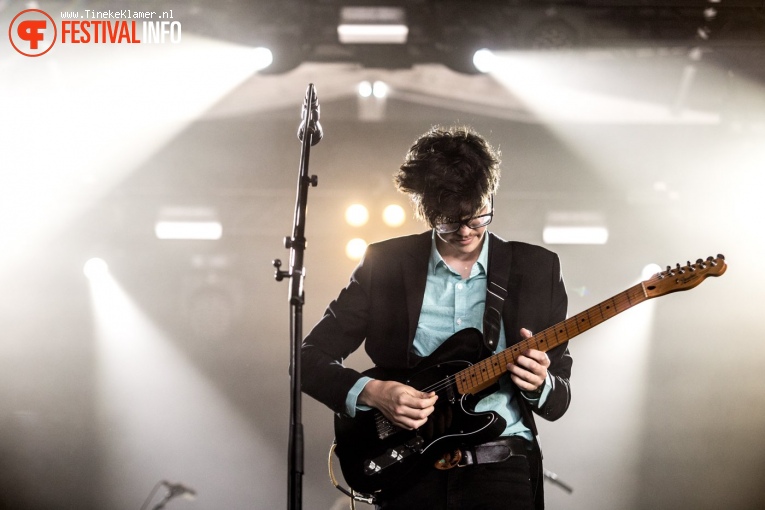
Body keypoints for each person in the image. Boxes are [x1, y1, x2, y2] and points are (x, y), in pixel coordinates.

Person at [301, 125, 572, 510]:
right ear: (425, 209)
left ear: (489, 195)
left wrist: (540, 382)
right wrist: (373, 393)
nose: (465, 231)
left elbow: (559, 397)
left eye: (477, 217)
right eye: (448, 220)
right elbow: (308, 357)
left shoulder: (537, 268)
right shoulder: (385, 265)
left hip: (502, 471)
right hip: (410, 473)